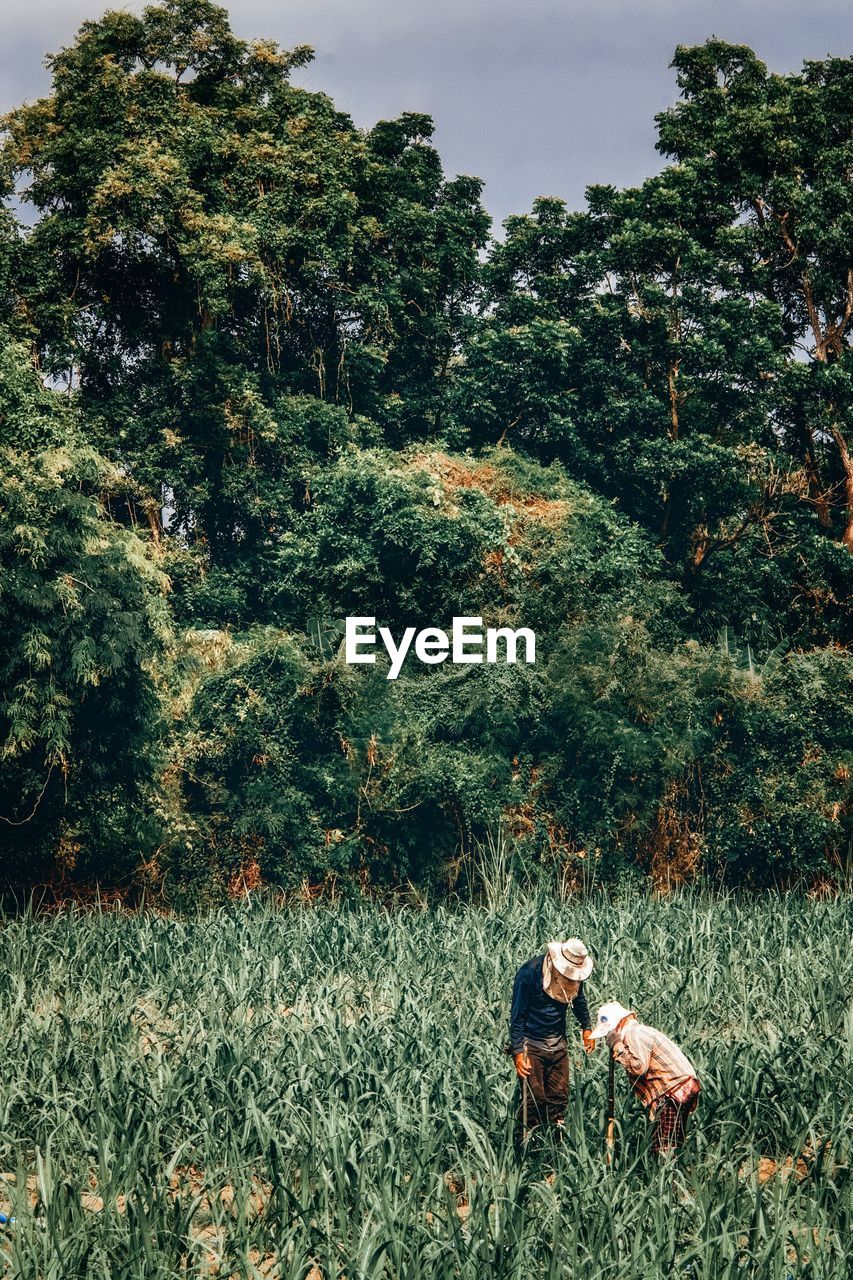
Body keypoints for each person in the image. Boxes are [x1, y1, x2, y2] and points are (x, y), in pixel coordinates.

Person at [508, 938, 595, 1154]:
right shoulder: (530, 973)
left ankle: (554, 1149)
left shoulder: (574, 977)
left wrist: (586, 1027)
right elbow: (517, 1016)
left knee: (559, 1097)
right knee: (534, 1100)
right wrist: (518, 1052)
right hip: (532, 1043)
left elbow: (578, 1000)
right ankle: (525, 1150)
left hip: (558, 1043)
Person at [589, 1000, 701, 1156]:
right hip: (681, 1087)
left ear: (618, 1025)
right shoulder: (639, 1032)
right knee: (672, 1141)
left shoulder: (634, 1033)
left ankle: (666, 1177)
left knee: (664, 1147)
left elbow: (639, 1068)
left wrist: (617, 1046)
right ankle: (676, 1172)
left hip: (673, 1090)